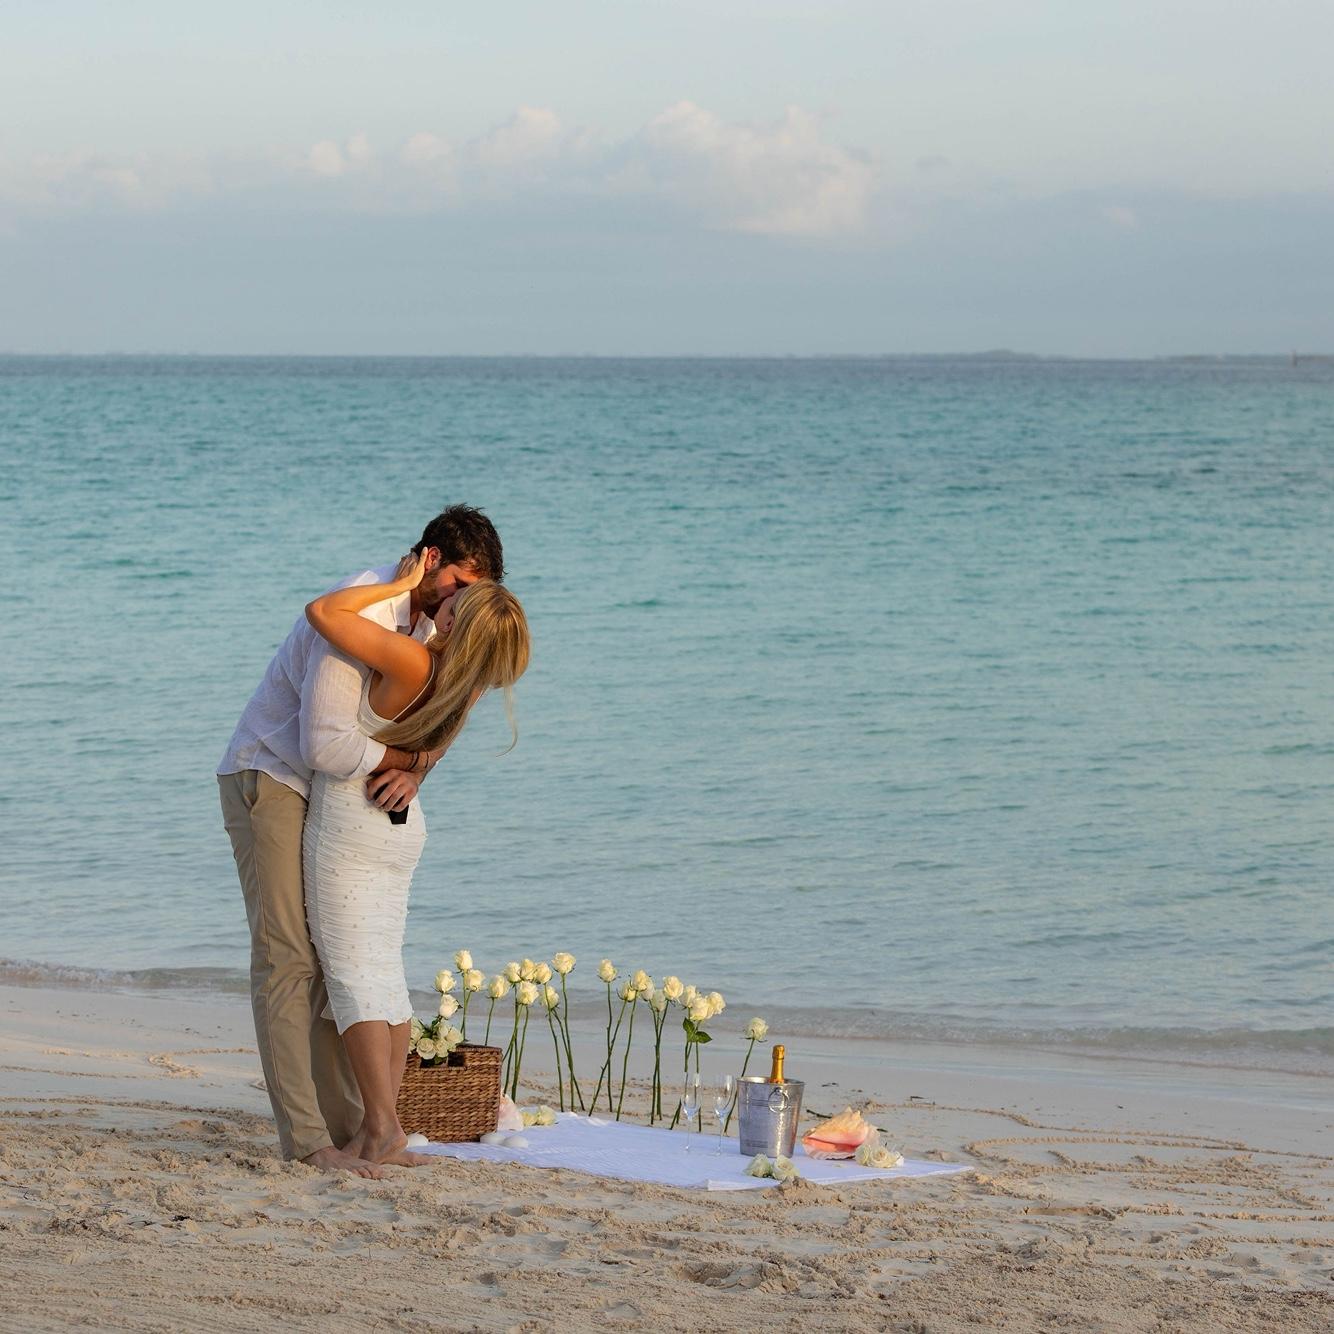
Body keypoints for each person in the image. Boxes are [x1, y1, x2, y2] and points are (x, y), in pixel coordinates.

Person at [218, 505, 504, 1176]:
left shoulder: (434, 623)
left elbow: (447, 709)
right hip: (273, 774)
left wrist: (418, 769)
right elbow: (324, 744)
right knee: (288, 960)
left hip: (330, 792)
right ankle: (308, 1141)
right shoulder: (369, 605)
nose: (465, 601)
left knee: (333, 963)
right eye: (462, 583)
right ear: (431, 560)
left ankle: (366, 1131)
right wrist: (402, 760)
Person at [303, 555, 529, 1168]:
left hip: (352, 819)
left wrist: (399, 585)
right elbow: (429, 748)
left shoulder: (413, 660)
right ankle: (388, 1127)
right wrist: (416, 767)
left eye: (455, 601)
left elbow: (324, 611)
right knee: (384, 975)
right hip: (401, 827)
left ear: (456, 622)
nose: (441, 601)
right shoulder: (465, 684)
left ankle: (380, 1127)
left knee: (352, 979)